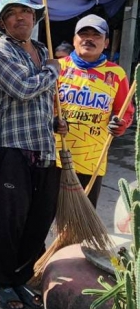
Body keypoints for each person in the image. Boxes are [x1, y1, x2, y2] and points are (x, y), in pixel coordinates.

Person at [0, 0, 62, 309]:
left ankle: (21, 277)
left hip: (44, 147)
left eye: (25, 12)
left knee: (38, 218)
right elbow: (23, 89)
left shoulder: (43, 50)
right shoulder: (0, 48)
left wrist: (54, 121)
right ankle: (2, 282)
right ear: (3, 23)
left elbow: (42, 99)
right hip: (12, 148)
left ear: (35, 17)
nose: (20, 18)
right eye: (11, 14)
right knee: (8, 220)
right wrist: (53, 71)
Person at [58, 14, 134, 206]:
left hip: (92, 159)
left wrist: (120, 124)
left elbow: (125, 111)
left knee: (82, 216)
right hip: (56, 157)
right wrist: (50, 121)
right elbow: (43, 107)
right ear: (74, 39)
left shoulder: (116, 74)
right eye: (83, 34)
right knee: (47, 213)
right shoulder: (58, 67)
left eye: (96, 35)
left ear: (106, 43)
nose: (89, 39)